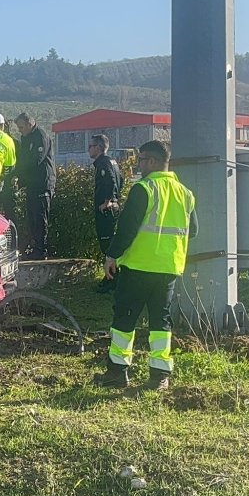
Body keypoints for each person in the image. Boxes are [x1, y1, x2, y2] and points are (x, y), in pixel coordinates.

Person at [93, 140, 198, 392]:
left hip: (139, 266)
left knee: (124, 320)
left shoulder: (144, 188)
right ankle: (160, 376)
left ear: (151, 161)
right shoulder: (185, 193)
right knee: (161, 323)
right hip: (168, 267)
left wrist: (111, 256)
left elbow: (127, 229)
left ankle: (117, 372)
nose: (138, 164)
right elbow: (192, 231)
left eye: (141, 160)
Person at [13, 112, 56, 260]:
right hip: (32, 184)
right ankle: (35, 247)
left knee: (40, 217)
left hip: (42, 183)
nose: (20, 131)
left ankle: (41, 249)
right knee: (32, 217)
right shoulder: (26, 138)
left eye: (22, 127)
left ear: (30, 124)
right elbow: (23, 158)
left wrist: (17, 172)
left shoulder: (40, 136)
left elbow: (35, 160)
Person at [90, 134, 124, 291]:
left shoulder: (103, 163)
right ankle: (112, 277)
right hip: (114, 208)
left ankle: (112, 279)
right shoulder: (112, 161)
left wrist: (107, 201)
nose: (88, 150)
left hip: (106, 211)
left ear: (98, 148)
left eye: (90, 146)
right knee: (111, 242)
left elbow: (111, 181)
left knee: (107, 245)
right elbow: (121, 180)